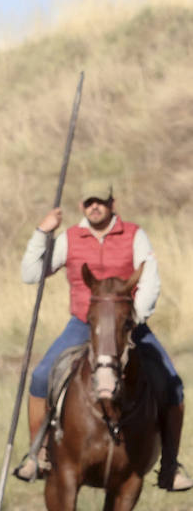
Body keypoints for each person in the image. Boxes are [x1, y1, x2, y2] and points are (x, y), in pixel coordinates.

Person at [15, 180, 190, 491]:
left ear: (112, 203)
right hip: (84, 323)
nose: (94, 206)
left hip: (128, 324)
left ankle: (170, 464)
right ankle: (38, 454)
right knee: (41, 377)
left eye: (100, 201)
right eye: (88, 202)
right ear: (82, 206)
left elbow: (149, 277)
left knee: (171, 383)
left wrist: (135, 316)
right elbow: (31, 273)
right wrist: (42, 233)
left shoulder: (135, 235)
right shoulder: (69, 238)